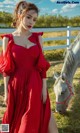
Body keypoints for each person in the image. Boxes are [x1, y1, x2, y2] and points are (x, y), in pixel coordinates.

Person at [0, 1, 58, 133]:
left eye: (35, 19)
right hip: (16, 86)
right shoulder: (7, 39)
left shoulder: (38, 38)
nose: (31, 22)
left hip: (35, 85)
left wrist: (44, 90)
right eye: (29, 17)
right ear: (20, 15)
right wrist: (6, 93)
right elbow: (6, 70)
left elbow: (42, 67)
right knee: (9, 120)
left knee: (35, 122)